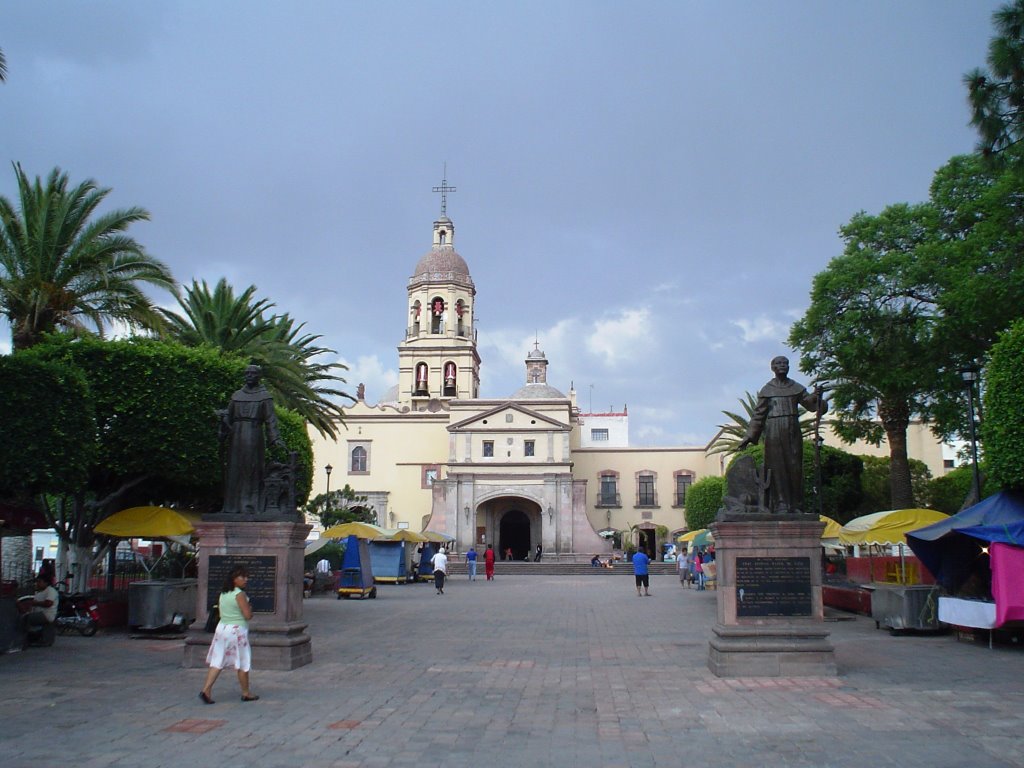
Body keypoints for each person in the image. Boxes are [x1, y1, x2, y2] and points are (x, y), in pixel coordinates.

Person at [737, 356, 826, 515]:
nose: (782, 366)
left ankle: (796, 505)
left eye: (785, 363)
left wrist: (816, 396)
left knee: (795, 467)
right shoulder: (767, 389)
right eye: (779, 363)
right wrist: (749, 436)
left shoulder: (796, 387)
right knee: (777, 467)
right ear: (773, 367)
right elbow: (759, 415)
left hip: (793, 429)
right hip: (773, 430)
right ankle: (781, 504)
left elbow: (811, 405)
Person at [220, 365, 287, 515]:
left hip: (253, 434)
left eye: (253, 373)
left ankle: (249, 506)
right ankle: (231, 507)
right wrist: (223, 424)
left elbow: (270, 420)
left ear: (259, 376)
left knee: (251, 470)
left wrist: (275, 438)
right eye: (247, 373)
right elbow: (228, 416)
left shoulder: (264, 397)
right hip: (235, 436)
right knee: (234, 470)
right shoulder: (236, 395)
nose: (249, 375)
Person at [200, 566, 258, 704]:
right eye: (242, 577)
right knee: (243, 662)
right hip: (236, 630)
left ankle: (206, 689)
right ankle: (246, 692)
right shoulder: (239, 594)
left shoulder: (224, 593)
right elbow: (247, 615)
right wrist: (250, 609)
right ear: (234, 580)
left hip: (222, 628)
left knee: (217, 661)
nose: (246, 580)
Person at [18, 575, 58, 641]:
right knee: (24, 617)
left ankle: (23, 639)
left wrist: (35, 603)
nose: (37, 584)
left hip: (46, 614)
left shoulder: (50, 591)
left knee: (25, 619)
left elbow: (48, 603)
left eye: (39, 582)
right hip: (40, 613)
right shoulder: (39, 592)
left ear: (46, 583)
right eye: (37, 582)